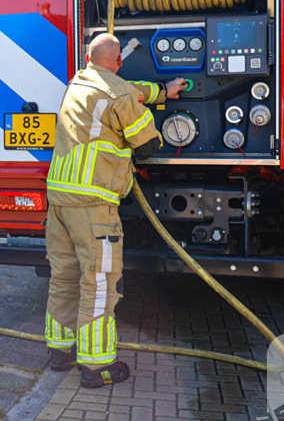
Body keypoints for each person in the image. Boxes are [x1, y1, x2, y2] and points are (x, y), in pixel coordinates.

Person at [44, 33, 186, 387]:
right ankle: (96, 367)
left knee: (64, 276)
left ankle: (59, 352)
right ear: (119, 60)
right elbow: (148, 146)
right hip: (94, 204)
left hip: (60, 198)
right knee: (100, 282)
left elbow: (128, 89)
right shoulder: (119, 94)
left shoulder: (79, 81)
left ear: (90, 58)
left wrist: (160, 91)